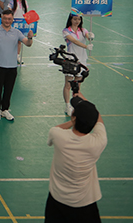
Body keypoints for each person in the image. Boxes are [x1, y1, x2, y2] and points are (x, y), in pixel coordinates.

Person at [45, 94, 107, 222]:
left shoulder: (58, 136)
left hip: (57, 200)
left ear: (74, 117)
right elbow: (97, 119)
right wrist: (84, 101)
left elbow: (55, 129)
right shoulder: (98, 142)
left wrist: (73, 120)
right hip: (85, 204)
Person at [0, 9, 33, 120]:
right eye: (5, 18)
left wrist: (30, 38)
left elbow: (28, 44)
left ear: (12, 19)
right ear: (1, 18)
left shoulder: (16, 32)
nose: (7, 21)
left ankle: (5, 109)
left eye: (9, 19)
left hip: (12, 66)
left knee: (9, 89)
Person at [61, 12, 93, 116]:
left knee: (77, 86)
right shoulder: (66, 31)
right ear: (70, 19)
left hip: (82, 61)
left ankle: (76, 105)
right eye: (75, 19)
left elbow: (87, 36)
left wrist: (91, 37)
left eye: (79, 19)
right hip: (71, 61)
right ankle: (67, 106)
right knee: (68, 85)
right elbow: (74, 41)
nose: (77, 21)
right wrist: (86, 46)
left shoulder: (83, 30)